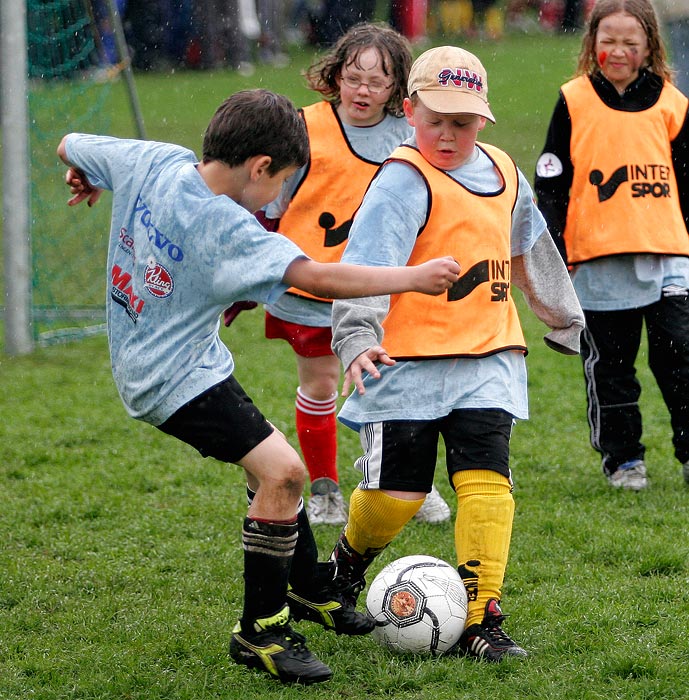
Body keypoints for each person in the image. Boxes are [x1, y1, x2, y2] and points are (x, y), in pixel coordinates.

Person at [56, 89, 461, 685]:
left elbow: (70, 142)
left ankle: (306, 588)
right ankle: (261, 631)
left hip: (193, 361)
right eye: (283, 186)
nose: (279, 200)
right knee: (283, 473)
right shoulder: (228, 229)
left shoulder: (155, 161)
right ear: (261, 167)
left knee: (265, 460)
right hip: (165, 379)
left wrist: (82, 171)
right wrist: (413, 277)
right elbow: (319, 276)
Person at [319, 46, 585, 661]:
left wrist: (565, 318)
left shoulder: (503, 172)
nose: (447, 134)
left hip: (489, 355)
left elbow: (531, 249)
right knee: (396, 498)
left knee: (487, 486)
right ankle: (345, 565)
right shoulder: (401, 180)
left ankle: (480, 619)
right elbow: (368, 262)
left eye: (461, 123)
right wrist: (357, 337)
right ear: (409, 111)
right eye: (435, 119)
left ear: (483, 121)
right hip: (404, 360)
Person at [233, 22, 451, 525]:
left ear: (399, 88)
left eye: (378, 82)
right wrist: (246, 278)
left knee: (395, 383)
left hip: (389, 287)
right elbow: (268, 206)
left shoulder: (409, 136)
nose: (364, 90)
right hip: (311, 286)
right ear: (336, 76)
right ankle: (328, 489)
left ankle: (406, 484)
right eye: (354, 77)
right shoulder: (304, 129)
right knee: (321, 383)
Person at [535, 0, 689, 491]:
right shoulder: (574, 98)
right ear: (592, 45)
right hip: (597, 256)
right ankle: (624, 460)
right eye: (608, 41)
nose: (618, 51)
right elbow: (552, 183)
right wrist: (558, 249)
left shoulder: (672, 103)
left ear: (649, 47)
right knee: (612, 367)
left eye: (630, 42)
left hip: (667, 254)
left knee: (680, 355)